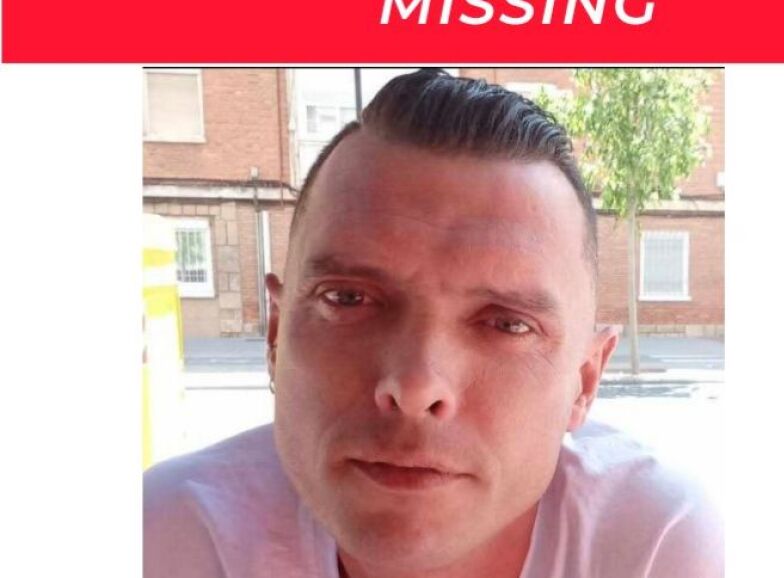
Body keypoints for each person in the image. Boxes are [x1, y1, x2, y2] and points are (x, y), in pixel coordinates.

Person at [144, 69, 723, 578]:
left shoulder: (655, 547)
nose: (416, 386)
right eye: (347, 298)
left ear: (585, 382)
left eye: (507, 325)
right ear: (275, 338)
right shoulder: (160, 538)